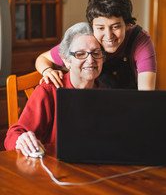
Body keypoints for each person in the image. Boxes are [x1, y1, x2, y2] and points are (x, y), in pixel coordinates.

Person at [4, 22, 104, 156]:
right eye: (80, 54)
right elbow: (14, 134)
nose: (90, 60)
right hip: (53, 169)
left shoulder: (106, 93)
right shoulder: (49, 90)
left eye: (96, 53)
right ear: (67, 61)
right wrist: (22, 141)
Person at [35, 0, 156, 90]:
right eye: (100, 28)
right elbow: (42, 59)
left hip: (129, 106)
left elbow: (146, 94)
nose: (109, 36)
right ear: (92, 27)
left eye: (115, 27)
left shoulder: (140, 40)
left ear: (128, 24)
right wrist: (47, 71)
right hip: (92, 105)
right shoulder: (86, 39)